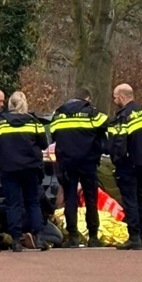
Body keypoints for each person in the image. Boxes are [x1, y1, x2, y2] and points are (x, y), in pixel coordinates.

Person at [0, 91, 50, 252]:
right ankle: (39, 237)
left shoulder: (0, 123)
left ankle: (16, 240)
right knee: (33, 202)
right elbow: (44, 144)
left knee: (13, 204)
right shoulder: (34, 122)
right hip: (30, 168)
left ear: (10, 105)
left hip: (9, 168)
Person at [50, 87, 108, 248]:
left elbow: (53, 134)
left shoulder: (59, 114)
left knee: (70, 199)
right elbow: (107, 125)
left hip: (67, 163)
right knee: (91, 199)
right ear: (87, 99)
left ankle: (73, 237)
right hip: (88, 162)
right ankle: (93, 236)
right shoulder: (91, 113)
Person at [108, 84, 142, 251]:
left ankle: (134, 236)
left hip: (128, 164)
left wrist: (116, 160)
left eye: (115, 97)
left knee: (130, 201)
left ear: (122, 97)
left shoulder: (124, 116)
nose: (114, 100)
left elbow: (119, 143)